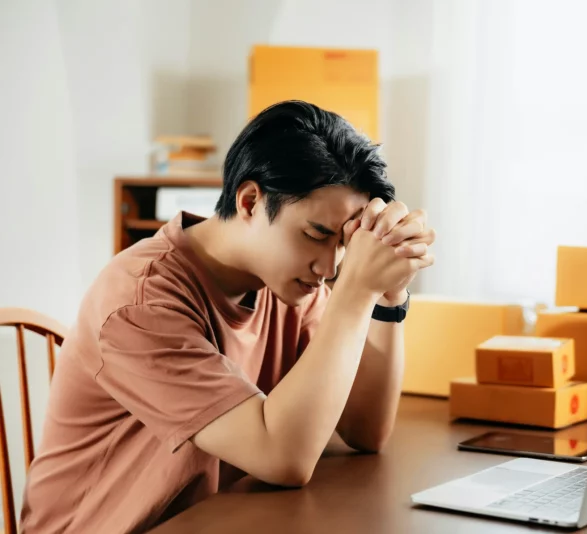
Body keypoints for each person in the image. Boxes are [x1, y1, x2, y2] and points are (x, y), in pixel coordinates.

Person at [20, 100, 436, 533]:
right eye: (316, 234)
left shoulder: (287, 285)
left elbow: (364, 431)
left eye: (345, 243)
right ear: (251, 201)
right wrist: (355, 292)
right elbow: (283, 458)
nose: (330, 267)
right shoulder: (140, 304)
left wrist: (389, 296)